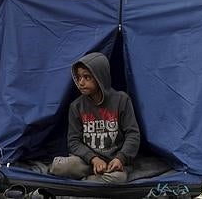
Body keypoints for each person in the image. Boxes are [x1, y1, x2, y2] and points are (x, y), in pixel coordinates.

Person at [50, 52, 140, 183]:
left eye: (87, 77)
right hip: (86, 160)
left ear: (100, 77)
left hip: (112, 162)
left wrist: (121, 158)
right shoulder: (76, 106)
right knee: (59, 167)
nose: (81, 82)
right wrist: (94, 159)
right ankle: (95, 180)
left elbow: (133, 134)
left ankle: (83, 183)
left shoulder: (122, 100)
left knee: (118, 178)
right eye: (79, 77)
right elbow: (73, 141)